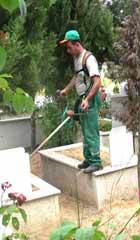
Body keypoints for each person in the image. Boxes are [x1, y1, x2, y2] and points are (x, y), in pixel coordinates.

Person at [59, 29, 103, 173]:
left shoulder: (89, 58)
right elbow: (76, 77)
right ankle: (89, 159)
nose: (68, 50)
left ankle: (96, 162)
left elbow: (97, 82)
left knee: (91, 130)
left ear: (77, 44)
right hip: (83, 98)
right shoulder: (77, 59)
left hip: (90, 97)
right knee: (85, 130)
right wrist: (66, 89)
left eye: (69, 47)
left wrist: (88, 100)